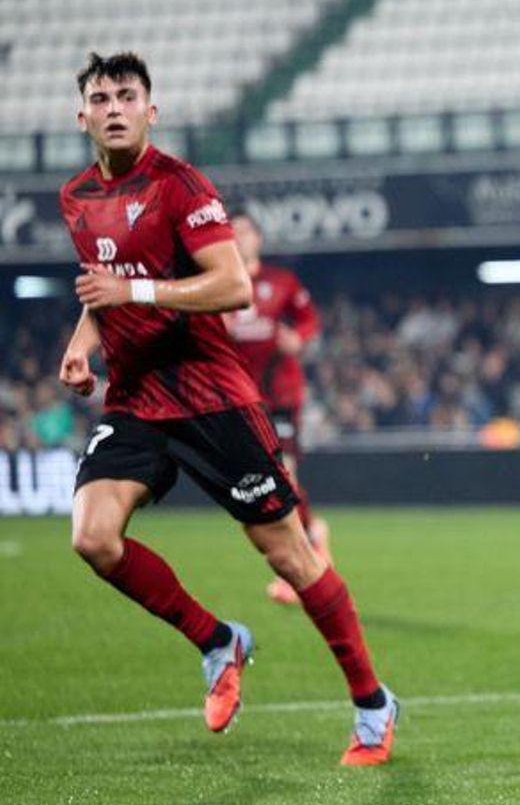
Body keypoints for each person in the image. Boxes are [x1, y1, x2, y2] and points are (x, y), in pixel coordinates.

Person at [58, 52, 397, 764]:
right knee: (93, 538)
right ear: (82, 115)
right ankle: (219, 640)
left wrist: (137, 296)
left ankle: (372, 704)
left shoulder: (181, 187)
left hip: (211, 395)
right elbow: (104, 287)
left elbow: (233, 286)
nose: (114, 106)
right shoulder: (76, 199)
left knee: (291, 556)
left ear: (153, 110)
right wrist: (81, 343)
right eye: (101, 96)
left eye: (127, 95)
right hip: (136, 399)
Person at [226, 212, 331, 606]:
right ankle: (312, 537)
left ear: (258, 239)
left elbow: (309, 320)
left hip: (282, 395)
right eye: (232, 232)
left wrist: (297, 338)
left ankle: (299, 570)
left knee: (283, 481)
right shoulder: (218, 285)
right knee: (260, 490)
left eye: (246, 231)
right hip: (240, 399)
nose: (239, 237)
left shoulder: (281, 283)